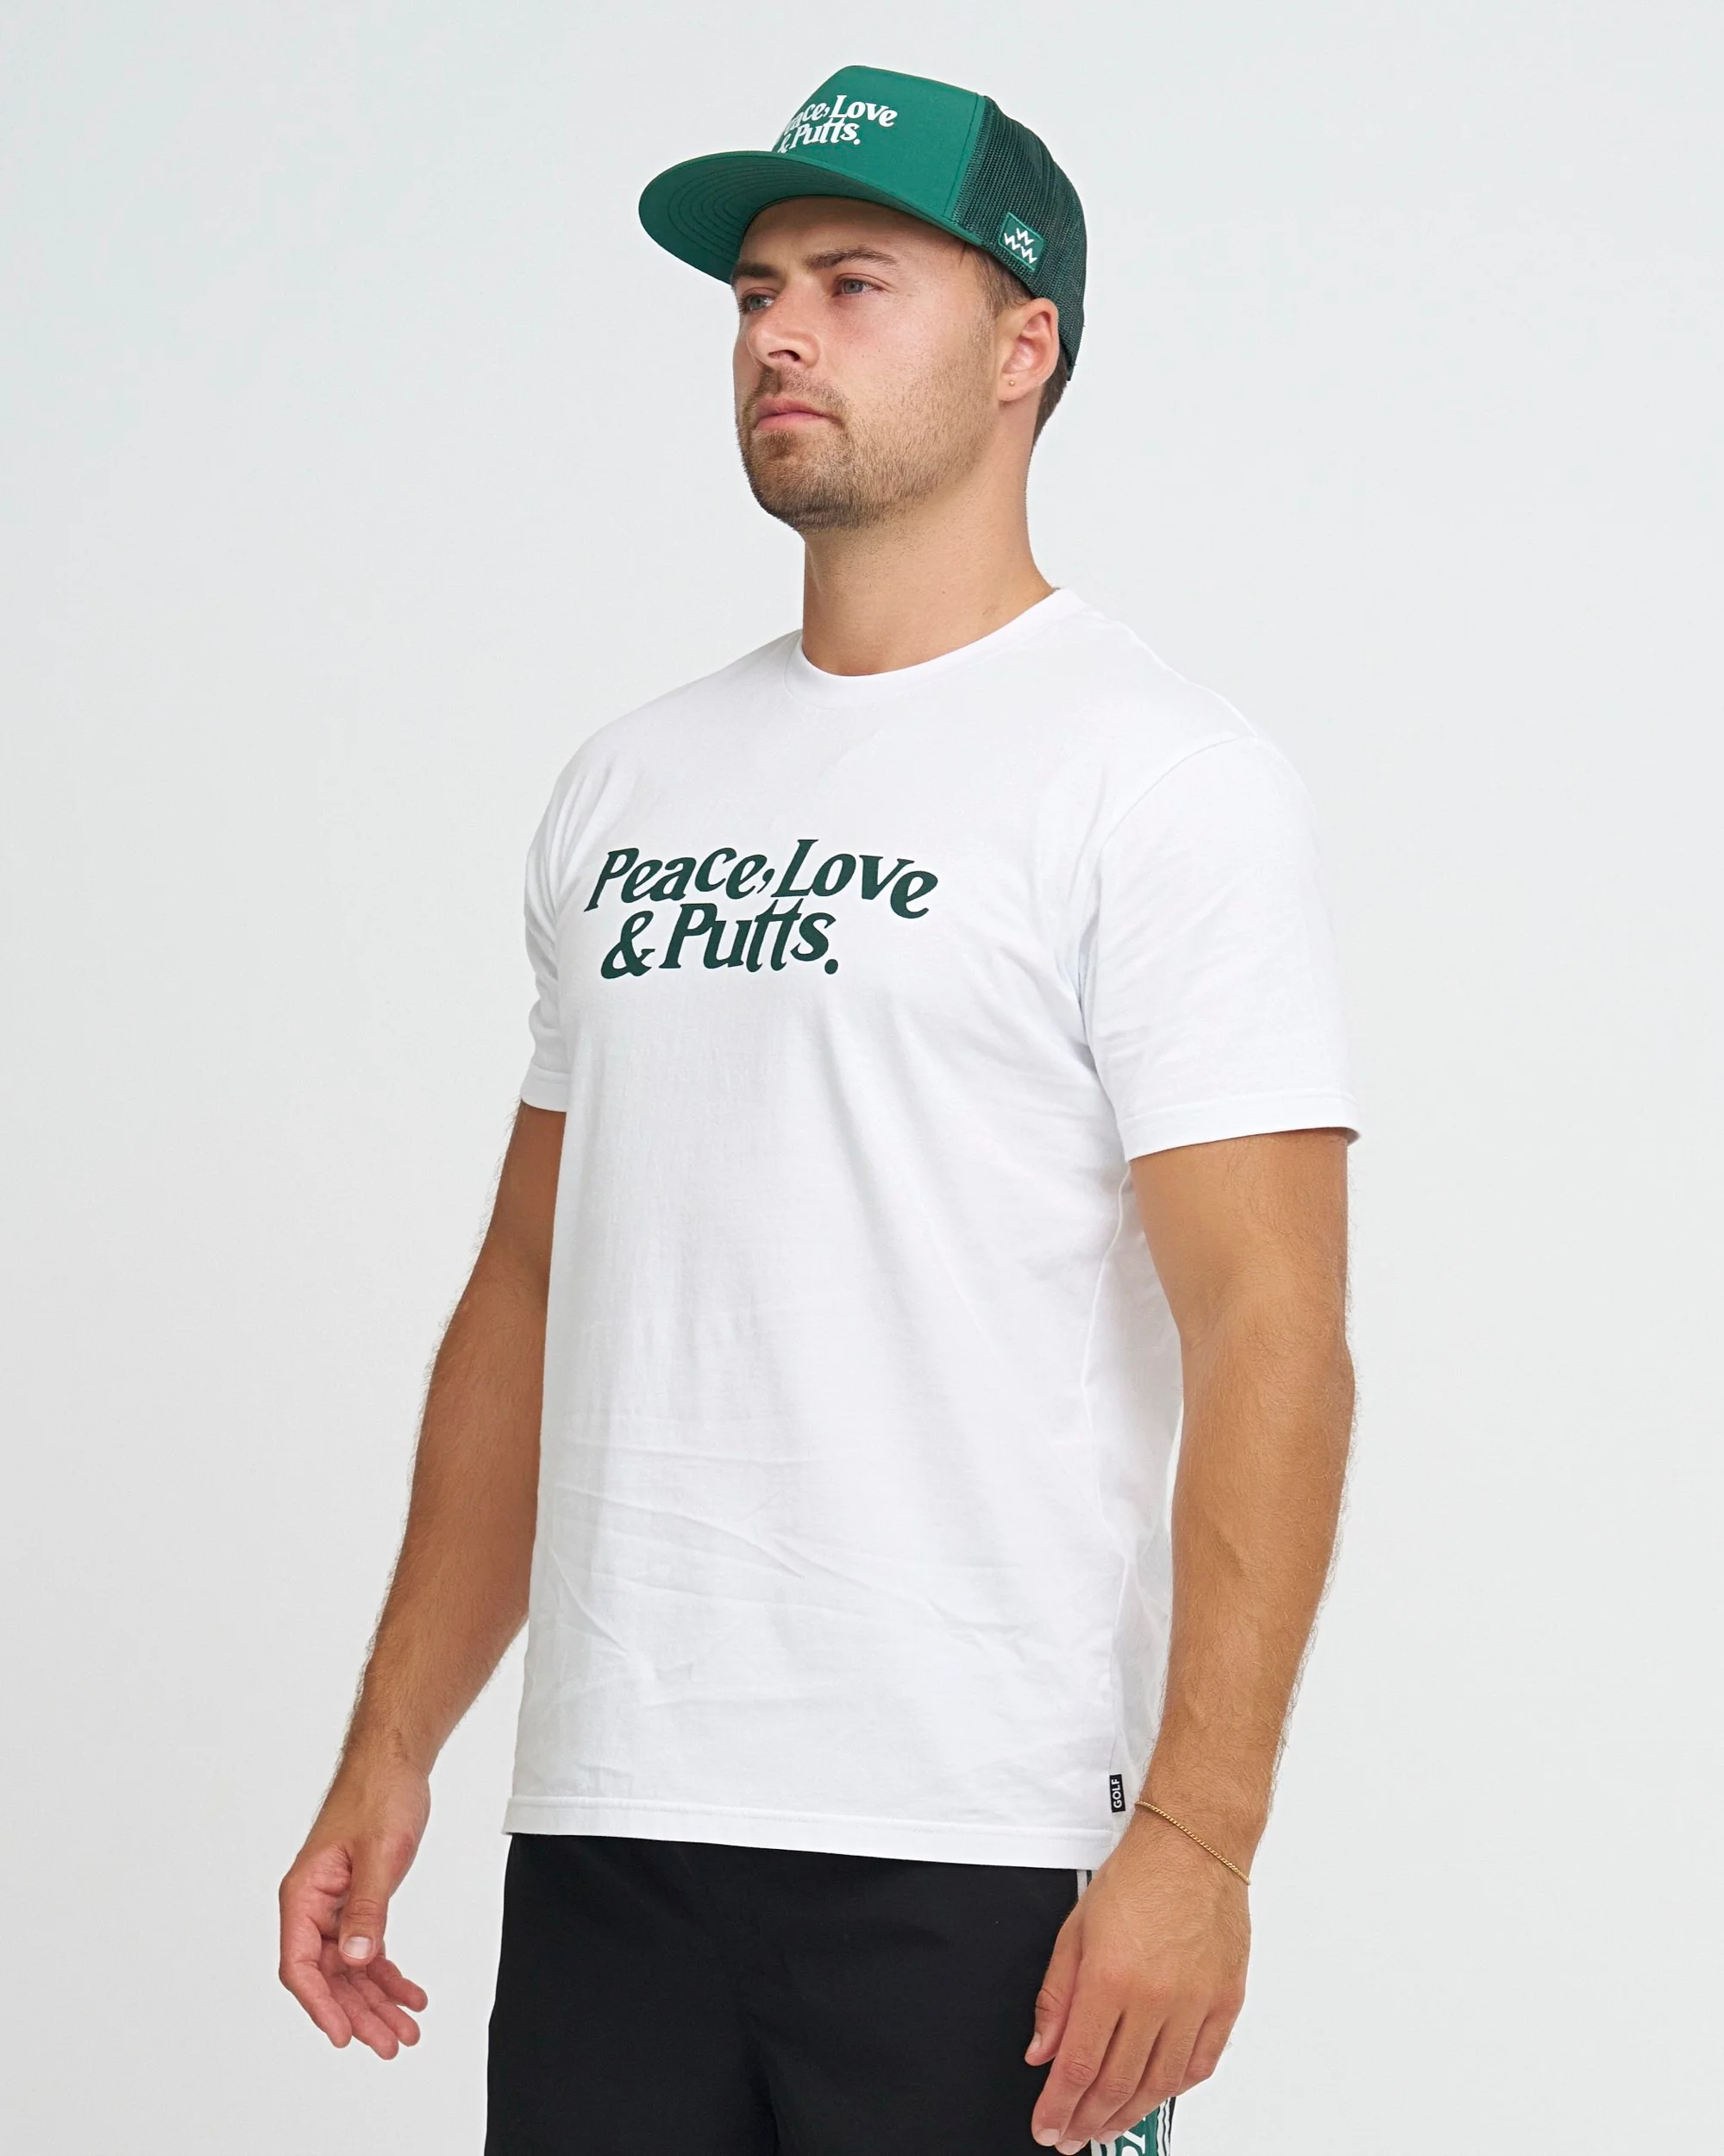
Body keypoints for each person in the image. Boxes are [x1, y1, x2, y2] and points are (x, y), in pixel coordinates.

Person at [278, 63, 1357, 2156]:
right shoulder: (629, 785)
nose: (779, 332)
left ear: (1024, 344)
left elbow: (1273, 1330)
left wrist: (1202, 1834)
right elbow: (530, 1286)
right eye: (756, 290)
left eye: (853, 283)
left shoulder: (1159, 779)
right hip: (613, 1828)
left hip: (979, 1846)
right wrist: (394, 1736)